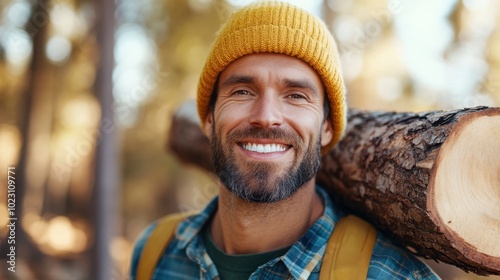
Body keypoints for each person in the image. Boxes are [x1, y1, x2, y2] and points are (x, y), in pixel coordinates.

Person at [130, 1, 441, 279]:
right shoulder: (155, 254)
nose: (266, 116)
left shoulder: (390, 275)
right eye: (242, 91)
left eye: (295, 95)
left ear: (327, 128)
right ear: (209, 119)